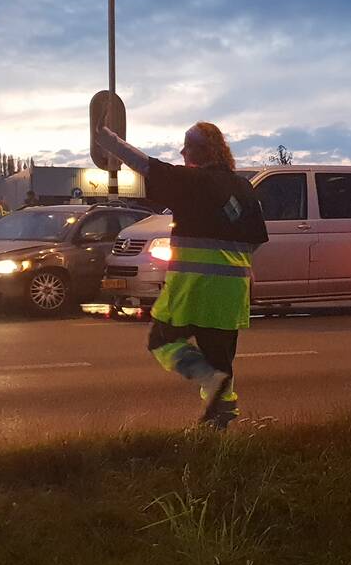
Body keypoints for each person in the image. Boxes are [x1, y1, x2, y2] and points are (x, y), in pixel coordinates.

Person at [96, 119, 268, 429]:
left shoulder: (191, 182)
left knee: (162, 342)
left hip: (192, 288)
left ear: (198, 152)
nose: (181, 151)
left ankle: (206, 380)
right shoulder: (244, 188)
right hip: (232, 292)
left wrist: (107, 140)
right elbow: (256, 239)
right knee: (221, 361)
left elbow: (145, 165)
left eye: (186, 147)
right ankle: (219, 424)